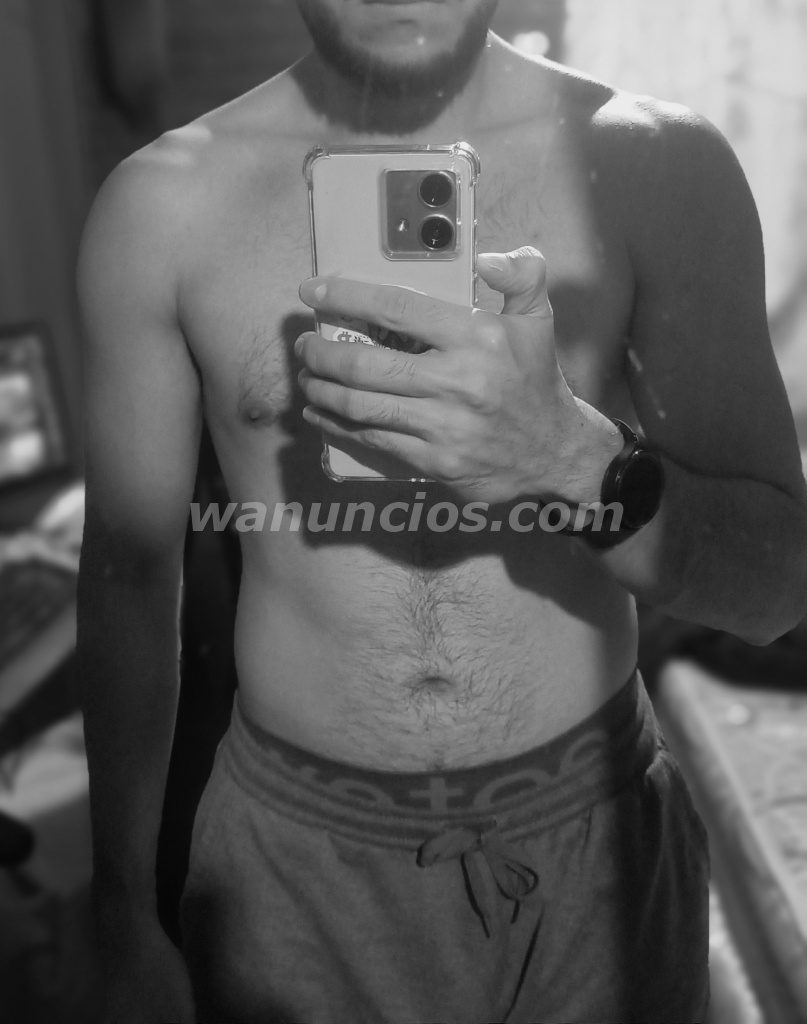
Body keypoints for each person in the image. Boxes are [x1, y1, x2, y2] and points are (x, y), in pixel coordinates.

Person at [76, 2, 807, 1022]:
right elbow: (129, 571)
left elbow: (777, 588)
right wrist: (120, 908)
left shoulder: (658, 166)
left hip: (595, 838)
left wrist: (570, 460)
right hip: (294, 863)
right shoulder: (161, 206)